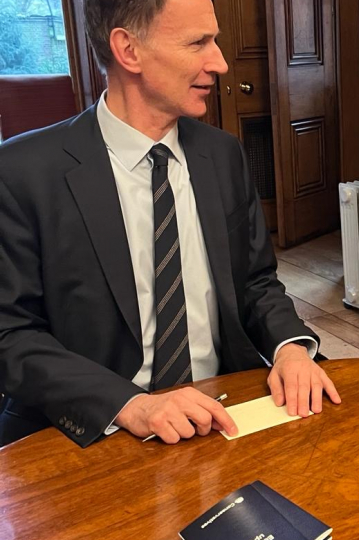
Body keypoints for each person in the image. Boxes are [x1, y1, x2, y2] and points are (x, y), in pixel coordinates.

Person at [0, 0, 340, 448]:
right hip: (94, 431)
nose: (219, 62)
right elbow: (12, 335)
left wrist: (290, 348)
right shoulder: (22, 171)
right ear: (129, 50)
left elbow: (256, 282)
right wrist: (132, 404)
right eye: (198, 42)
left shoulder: (222, 155)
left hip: (224, 412)